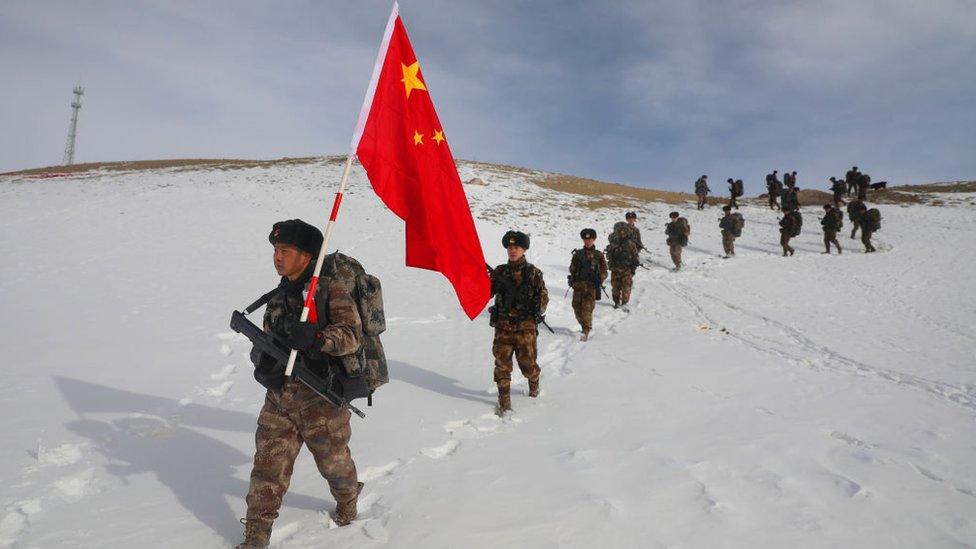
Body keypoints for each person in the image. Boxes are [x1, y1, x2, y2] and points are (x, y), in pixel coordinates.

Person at [239, 219, 364, 548]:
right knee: (267, 468)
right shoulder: (278, 296)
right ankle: (255, 536)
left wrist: (317, 338)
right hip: (280, 398)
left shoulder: (327, 290)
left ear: (307, 256)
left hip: (320, 400)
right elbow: (268, 340)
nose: (277, 257)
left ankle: (348, 504)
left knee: (335, 466)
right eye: (276, 251)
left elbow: (352, 336)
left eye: (285, 251)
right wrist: (263, 364)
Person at [489, 231, 549, 413]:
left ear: (524, 250)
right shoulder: (499, 272)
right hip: (503, 327)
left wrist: (535, 308)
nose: (512, 251)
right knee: (502, 365)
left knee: (528, 366)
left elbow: (544, 297)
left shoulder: (533, 274)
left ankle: (534, 383)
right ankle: (504, 401)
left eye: (516, 247)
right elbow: (485, 292)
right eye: (510, 247)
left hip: (525, 329)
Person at [569, 228, 608, 341]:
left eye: (590, 239)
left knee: (587, 309)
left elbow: (605, 271)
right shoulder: (578, 254)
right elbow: (572, 268)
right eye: (585, 239)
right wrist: (573, 277)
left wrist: (599, 278)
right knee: (576, 308)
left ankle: (586, 330)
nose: (587, 241)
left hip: (591, 287)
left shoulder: (598, 255)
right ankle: (583, 326)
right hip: (578, 286)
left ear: (594, 239)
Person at [606, 212, 643, 309]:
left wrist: (633, 267)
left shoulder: (630, 243)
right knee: (615, 288)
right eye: (619, 231)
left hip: (627, 268)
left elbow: (635, 256)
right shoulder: (613, 243)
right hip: (615, 268)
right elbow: (609, 256)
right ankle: (616, 302)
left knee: (626, 287)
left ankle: (624, 303)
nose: (621, 233)